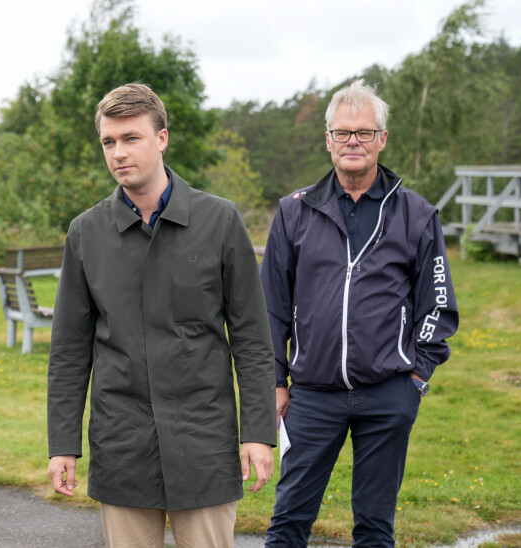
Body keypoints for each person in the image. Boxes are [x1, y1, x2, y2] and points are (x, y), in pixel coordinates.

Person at [46, 83, 276, 547]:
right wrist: (63, 444)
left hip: (203, 439)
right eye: (109, 142)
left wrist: (258, 433)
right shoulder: (86, 233)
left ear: (162, 138)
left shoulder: (221, 221)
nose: (118, 153)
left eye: (131, 138)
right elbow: (69, 350)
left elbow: (252, 339)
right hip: (122, 442)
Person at [260, 79, 459, 546]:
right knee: (288, 523)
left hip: (389, 394)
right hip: (312, 395)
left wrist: (417, 376)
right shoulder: (294, 212)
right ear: (327, 139)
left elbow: (438, 304)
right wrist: (275, 381)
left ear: (381, 140)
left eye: (364, 132)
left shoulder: (416, 213)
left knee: (374, 529)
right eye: (343, 132)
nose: (353, 141)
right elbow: (268, 307)